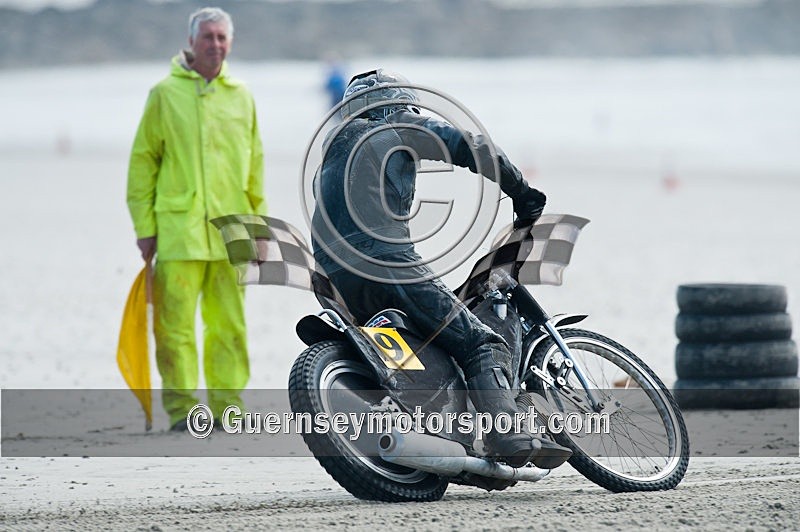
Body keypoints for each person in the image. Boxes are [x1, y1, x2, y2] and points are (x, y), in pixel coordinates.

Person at [311, 69, 572, 469]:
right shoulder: (395, 124)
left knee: (420, 344)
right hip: (389, 263)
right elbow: (472, 145)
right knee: (482, 343)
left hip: (332, 281)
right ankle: (509, 433)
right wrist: (521, 191)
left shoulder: (330, 153)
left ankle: (434, 427)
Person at [126, 7, 265, 431]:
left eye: (222, 37)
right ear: (191, 42)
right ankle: (184, 411)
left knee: (230, 327)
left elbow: (254, 165)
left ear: (230, 42)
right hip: (177, 232)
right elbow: (143, 163)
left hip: (231, 232)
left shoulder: (241, 95)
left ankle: (229, 408)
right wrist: (145, 228)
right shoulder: (164, 94)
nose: (215, 45)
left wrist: (257, 229)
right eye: (207, 37)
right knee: (175, 330)